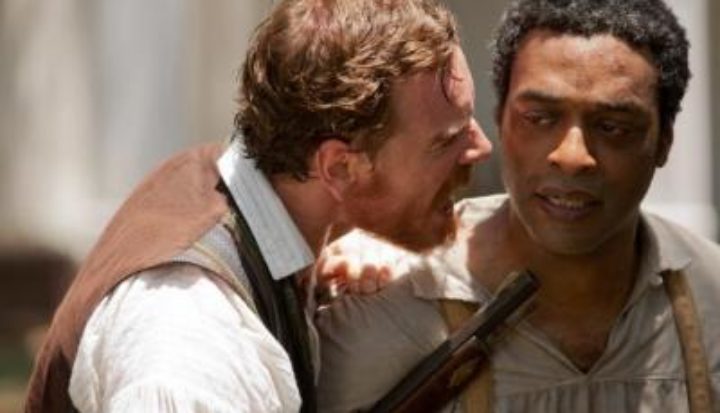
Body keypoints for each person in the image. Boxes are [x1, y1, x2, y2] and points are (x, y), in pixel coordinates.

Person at [24, 0, 492, 411]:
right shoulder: (192, 344)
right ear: (340, 169)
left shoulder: (236, 185)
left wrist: (346, 246)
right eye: (445, 140)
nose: (482, 147)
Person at [316, 0, 720, 411]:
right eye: (540, 118)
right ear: (500, 120)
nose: (572, 156)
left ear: (664, 140)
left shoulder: (709, 299)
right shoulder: (392, 307)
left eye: (613, 127)